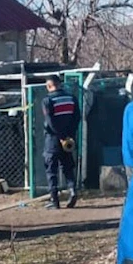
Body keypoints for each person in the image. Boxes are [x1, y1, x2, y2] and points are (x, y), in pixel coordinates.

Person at [41, 75, 80, 209]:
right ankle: (73, 190)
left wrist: (60, 136)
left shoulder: (48, 100)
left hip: (52, 139)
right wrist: (69, 135)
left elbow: (50, 122)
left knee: (51, 169)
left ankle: (54, 199)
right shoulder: (71, 98)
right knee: (68, 166)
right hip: (68, 140)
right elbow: (77, 118)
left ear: (49, 86)